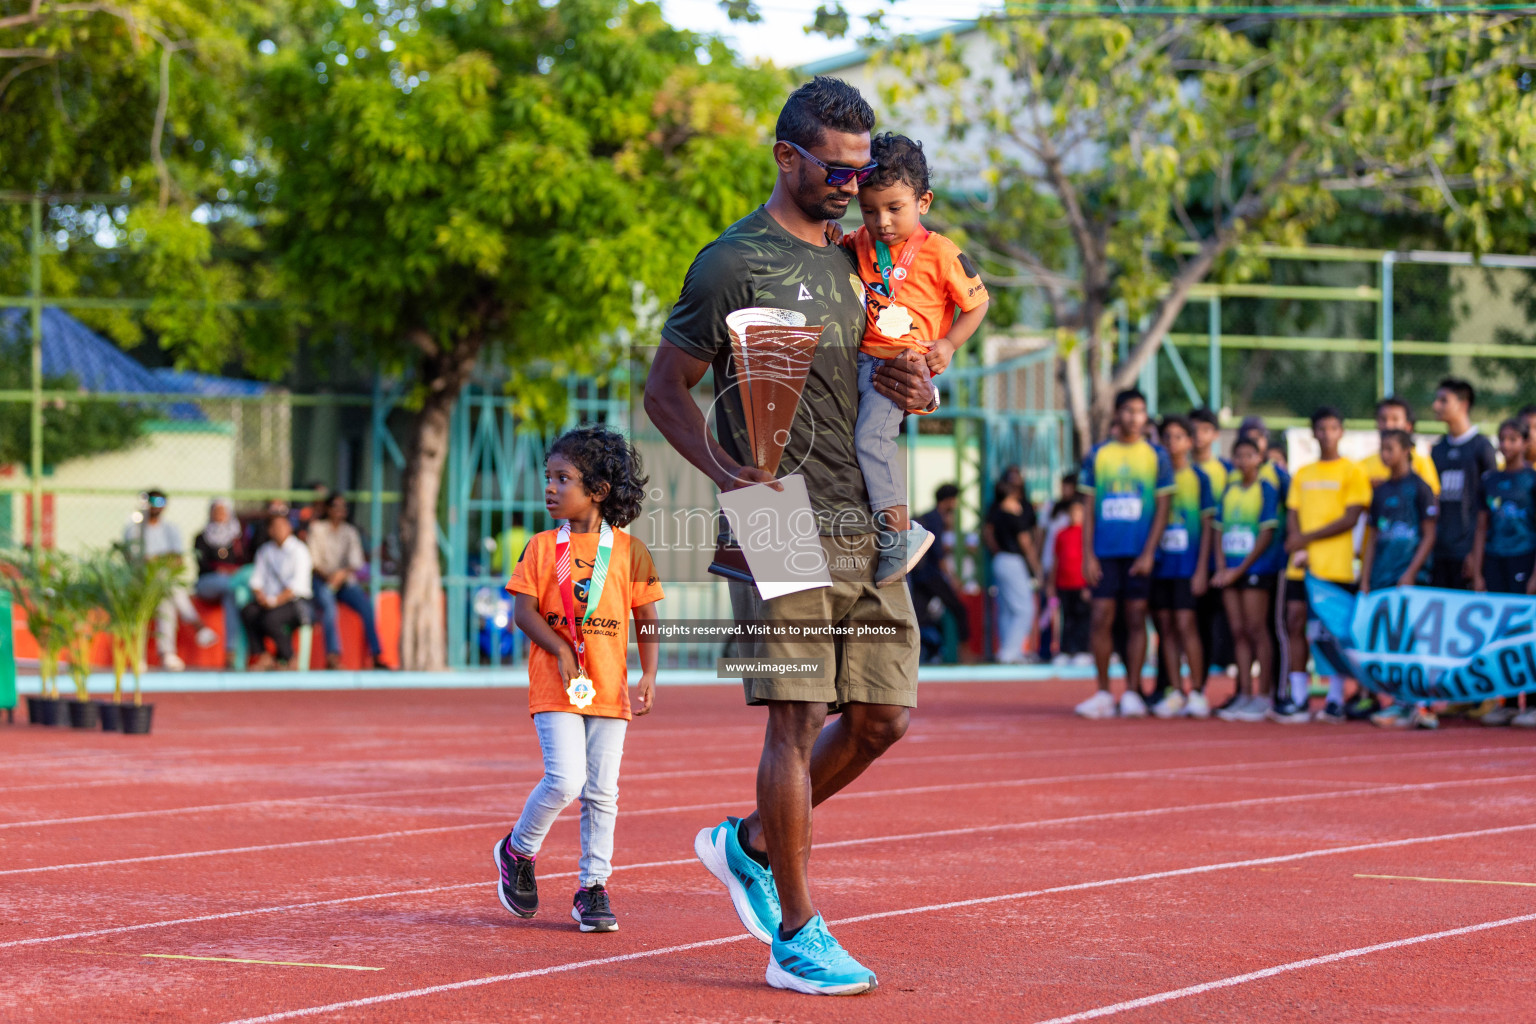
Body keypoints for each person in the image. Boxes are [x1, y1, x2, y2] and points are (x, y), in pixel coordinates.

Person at [644, 76, 933, 996]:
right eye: (835, 169)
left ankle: (750, 843)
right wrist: (728, 477)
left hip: (866, 513)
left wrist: (918, 390)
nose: (852, 184)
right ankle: (797, 933)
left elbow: (884, 383)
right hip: (771, 510)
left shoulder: (864, 261)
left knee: (884, 715)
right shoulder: (732, 263)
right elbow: (665, 390)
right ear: (786, 157)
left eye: (860, 170)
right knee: (798, 714)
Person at [496, 426, 663, 934]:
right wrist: (561, 647)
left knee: (603, 792)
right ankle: (518, 849)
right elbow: (523, 612)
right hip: (555, 684)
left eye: (562, 478)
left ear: (598, 491)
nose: (549, 487)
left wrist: (651, 673)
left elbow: (647, 618)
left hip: (609, 689)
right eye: (548, 477)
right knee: (567, 779)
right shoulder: (544, 548)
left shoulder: (630, 551)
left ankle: (593, 888)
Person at [840, 132, 990, 586]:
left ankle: (901, 535)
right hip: (861, 362)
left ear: (922, 201)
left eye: (894, 208)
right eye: (869, 209)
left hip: (901, 369)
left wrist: (947, 345)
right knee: (856, 441)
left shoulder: (942, 252)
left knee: (872, 440)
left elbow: (978, 304)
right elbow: (838, 247)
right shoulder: (861, 241)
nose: (881, 221)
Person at [1074, 389, 1173, 720]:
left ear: (1146, 417)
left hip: (1139, 554)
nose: (1134, 417)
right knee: (1101, 617)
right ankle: (1103, 692)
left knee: (1135, 619)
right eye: (1128, 410)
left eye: (1140, 411)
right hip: (1104, 553)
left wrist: (1149, 552)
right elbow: (1088, 509)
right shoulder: (1098, 455)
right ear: (1117, 414)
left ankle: (1132, 690)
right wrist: (1088, 555)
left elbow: (1162, 508)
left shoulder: (1157, 456)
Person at [1279, 407, 1371, 724]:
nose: (1327, 433)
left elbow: (1351, 518)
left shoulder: (1352, 472)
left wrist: (1306, 538)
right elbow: (1292, 511)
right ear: (1314, 433)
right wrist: (1297, 541)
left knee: (1331, 633)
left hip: (1336, 567)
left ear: (1341, 432)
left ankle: (1334, 698)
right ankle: (1300, 697)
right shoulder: (1303, 473)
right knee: (1294, 622)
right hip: (1302, 566)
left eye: (1333, 427)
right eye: (1321, 428)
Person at [1357, 429, 1438, 729]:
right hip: (1382, 577)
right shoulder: (1380, 491)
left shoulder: (1420, 488)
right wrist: (1366, 577)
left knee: (1414, 641)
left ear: (1406, 450)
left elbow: (1429, 534)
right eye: (1382, 447)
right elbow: (1373, 536)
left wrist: (1411, 572)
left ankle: (1421, 704)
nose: (1385, 453)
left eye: (1390, 447)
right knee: (1390, 642)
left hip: (1409, 579)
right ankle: (1398, 703)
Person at [1467, 419, 1536, 727]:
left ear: (1525, 442)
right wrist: (1478, 569)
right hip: (1495, 559)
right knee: (1499, 631)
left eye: (1513, 439)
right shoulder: (1490, 481)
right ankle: (1505, 701)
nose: (1506, 445)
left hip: (1523, 558)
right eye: (1502, 440)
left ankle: (1531, 702)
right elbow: (1482, 527)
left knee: (1526, 632)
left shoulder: (1532, 480)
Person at [1212, 437, 1283, 723]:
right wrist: (1220, 566)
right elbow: (1218, 528)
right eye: (1238, 456)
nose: (1243, 461)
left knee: (1256, 629)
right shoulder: (1229, 489)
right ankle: (1243, 691)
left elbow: (1266, 534)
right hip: (1229, 569)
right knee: (1238, 630)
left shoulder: (1266, 489)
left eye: (1249, 455)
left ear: (1259, 458)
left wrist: (1240, 569)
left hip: (1255, 569)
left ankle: (1263, 694)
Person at [1149, 415, 1215, 719]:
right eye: (1167, 438)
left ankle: (1198, 691)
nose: (1172, 444)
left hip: (1188, 565)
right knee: (1166, 628)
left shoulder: (1199, 479)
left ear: (1189, 442)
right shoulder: (1155, 477)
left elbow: (1207, 526)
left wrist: (1202, 569)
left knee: (1187, 625)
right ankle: (1175, 691)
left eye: (1178, 437)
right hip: (1161, 565)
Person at [124, 489, 217, 672]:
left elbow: (177, 560)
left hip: (163, 583)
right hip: (141, 583)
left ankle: (166, 654)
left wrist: (155, 559)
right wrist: (161, 559)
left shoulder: (170, 529)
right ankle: (197, 626)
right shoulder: (134, 530)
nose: (155, 506)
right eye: (151, 501)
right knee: (168, 591)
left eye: (160, 502)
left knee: (167, 600)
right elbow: (136, 560)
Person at [1430, 377, 1498, 590]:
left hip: (1469, 553)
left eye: (1443, 400)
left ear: (1463, 404)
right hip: (1440, 551)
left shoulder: (1482, 447)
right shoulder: (1437, 449)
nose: (1436, 406)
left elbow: (1490, 506)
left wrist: (1477, 553)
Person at [308, 492, 388, 670]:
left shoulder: (350, 532)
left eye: (343, 507)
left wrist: (340, 576)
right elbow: (313, 562)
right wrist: (330, 578)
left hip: (344, 582)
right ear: (328, 509)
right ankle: (333, 657)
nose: (340, 511)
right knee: (328, 607)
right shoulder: (317, 529)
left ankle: (376, 655)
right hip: (322, 580)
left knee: (366, 606)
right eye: (336, 506)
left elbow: (355, 562)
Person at [1189, 407, 1232, 699]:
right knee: (1184, 626)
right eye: (1193, 430)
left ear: (1215, 435)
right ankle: (1188, 688)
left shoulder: (1227, 471)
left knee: (1227, 628)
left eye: (1205, 430)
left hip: (1221, 560)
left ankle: (1244, 692)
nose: (1198, 436)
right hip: (1182, 560)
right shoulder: (1174, 470)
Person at [240, 510, 313, 670]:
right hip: (270, 601)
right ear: (270, 530)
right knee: (248, 612)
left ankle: (289, 658)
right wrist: (261, 597)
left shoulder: (299, 550)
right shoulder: (265, 551)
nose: (279, 530)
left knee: (271, 618)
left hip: (296, 603)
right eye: (275, 526)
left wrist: (274, 601)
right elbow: (256, 580)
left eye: (282, 525)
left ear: (289, 528)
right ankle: (263, 655)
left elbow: (296, 586)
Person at [909, 483, 969, 662]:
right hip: (931, 575)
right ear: (949, 500)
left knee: (917, 616)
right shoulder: (936, 519)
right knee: (959, 609)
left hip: (918, 575)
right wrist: (953, 578)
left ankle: (915, 654)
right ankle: (964, 653)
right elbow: (938, 553)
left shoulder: (928, 516)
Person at [985, 476, 1042, 664]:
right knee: (1025, 609)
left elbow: (988, 534)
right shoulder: (1013, 515)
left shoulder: (995, 513)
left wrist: (996, 551)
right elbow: (1026, 543)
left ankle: (1006, 650)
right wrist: (1036, 568)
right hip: (1013, 560)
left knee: (1007, 609)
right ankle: (1011, 651)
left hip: (1000, 559)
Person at [193, 497, 249, 669]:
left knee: (231, 596)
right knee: (233, 587)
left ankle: (231, 652)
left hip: (230, 585)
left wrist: (232, 571)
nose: (219, 515)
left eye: (222, 511)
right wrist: (221, 570)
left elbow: (244, 560)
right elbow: (202, 563)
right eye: (216, 511)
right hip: (208, 582)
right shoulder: (201, 537)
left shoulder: (237, 537)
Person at [1358, 397, 1440, 491]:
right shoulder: (1363, 465)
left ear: (1408, 426)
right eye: (1383, 419)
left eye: (1395, 419)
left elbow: (1432, 496)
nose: (1388, 425)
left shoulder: (1421, 462)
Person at [1048, 496, 1091, 665]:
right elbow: (1056, 559)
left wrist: (1090, 584)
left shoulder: (1088, 533)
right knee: (1067, 618)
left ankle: (1082, 650)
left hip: (1081, 583)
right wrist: (1051, 583)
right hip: (1064, 583)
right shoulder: (1061, 534)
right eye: (1072, 512)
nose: (1075, 515)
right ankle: (1065, 650)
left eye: (1079, 512)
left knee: (1083, 618)